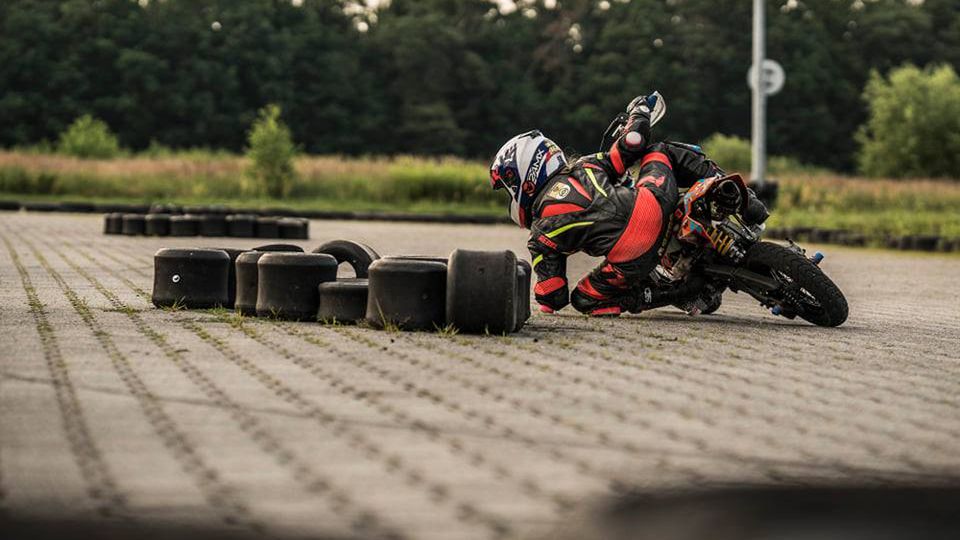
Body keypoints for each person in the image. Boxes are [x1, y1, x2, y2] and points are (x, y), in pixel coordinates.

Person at [489, 95, 768, 316]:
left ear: (523, 180)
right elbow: (633, 142)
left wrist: (540, 291)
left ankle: (679, 292)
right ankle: (743, 200)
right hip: (654, 206)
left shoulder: (539, 234)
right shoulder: (587, 165)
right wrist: (640, 111)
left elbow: (553, 296)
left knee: (584, 300)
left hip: (631, 258)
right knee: (660, 150)